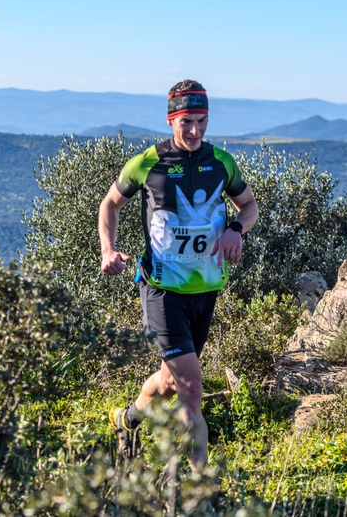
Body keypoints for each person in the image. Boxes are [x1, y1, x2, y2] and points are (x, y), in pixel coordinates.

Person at [100, 80, 259, 471]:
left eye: (201, 122)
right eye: (186, 121)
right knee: (191, 389)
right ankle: (200, 493)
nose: (194, 131)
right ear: (171, 118)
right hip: (161, 291)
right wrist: (108, 248)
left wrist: (235, 230)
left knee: (170, 381)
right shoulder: (148, 163)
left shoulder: (221, 162)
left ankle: (129, 419)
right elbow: (110, 204)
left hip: (205, 291)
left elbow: (249, 206)